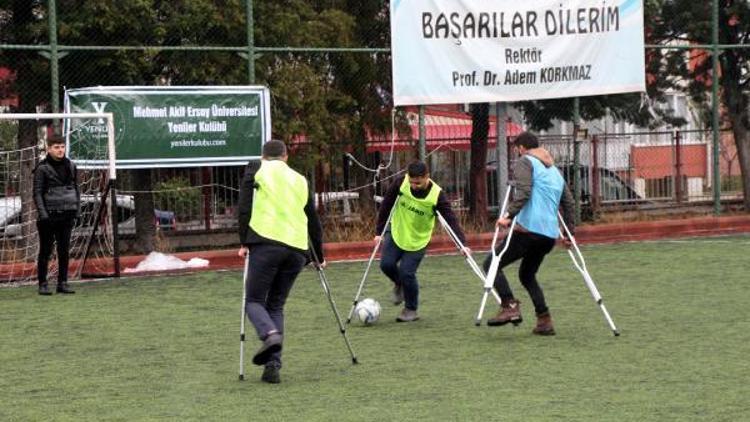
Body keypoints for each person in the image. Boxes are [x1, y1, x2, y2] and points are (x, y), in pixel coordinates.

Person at [237, 139, 324, 384]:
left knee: (254, 301)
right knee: (275, 305)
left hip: (266, 242)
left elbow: (244, 207)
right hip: (297, 249)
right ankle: (273, 366)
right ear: (286, 157)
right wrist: (320, 255)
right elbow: (313, 219)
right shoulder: (300, 179)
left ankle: (269, 334)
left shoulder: (256, 168)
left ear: (264, 156)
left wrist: (244, 241)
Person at [483, 131, 575, 335]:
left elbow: (524, 193)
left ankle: (509, 306)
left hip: (528, 230)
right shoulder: (554, 170)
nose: (517, 153)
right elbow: (568, 203)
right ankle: (544, 320)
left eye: (517, 149)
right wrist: (569, 233)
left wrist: (507, 215)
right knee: (527, 275)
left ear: (522, 148)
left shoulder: (525, 162)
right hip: (548, 236)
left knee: (491, 263)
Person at [375, 160, 469, 322]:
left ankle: (411, 309)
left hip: (418, 240)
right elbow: (386, 205)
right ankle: (400, 284)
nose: (414, 186)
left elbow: (450, 220)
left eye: (418, 182)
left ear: (427, 177)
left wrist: (463, 244)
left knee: (407, 272)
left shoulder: (437, 195)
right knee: (386, 264)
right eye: (412, 182)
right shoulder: (400, 183)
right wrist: (379, 232)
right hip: (397, 231)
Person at [33, 135, 80, 296]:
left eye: (62, 147)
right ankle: (43, 284)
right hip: (49, 216)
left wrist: (77, 210)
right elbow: (37, 193)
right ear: (49, 149)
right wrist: (43, 214)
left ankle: (63, 283)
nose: (60, 150)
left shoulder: (72, 166)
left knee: (64, 250)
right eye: (56, 147)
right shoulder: (42, 168)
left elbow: (76, 189)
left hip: (67, 214)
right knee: (45, 251)